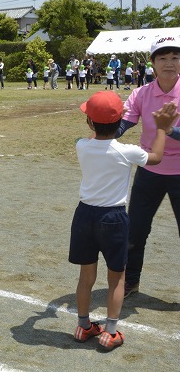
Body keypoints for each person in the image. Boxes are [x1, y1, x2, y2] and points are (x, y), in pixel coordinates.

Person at [72, 91, 177, 351]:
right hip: (113, 218)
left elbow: (93, 139)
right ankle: (110, 331)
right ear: (120, 120)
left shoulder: (81, 146)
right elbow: (156, 158)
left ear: (89, 123)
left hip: (84, 215)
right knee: (117, 278)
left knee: (86, 276)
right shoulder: (128, 151)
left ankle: (83, 326)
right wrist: (162, 129)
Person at [117, 35, 180, 299]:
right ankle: (131, 281)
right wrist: (104, 129)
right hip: (150, 170)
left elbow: (170, 130)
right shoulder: (141, 93)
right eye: (163, 58)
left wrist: (170, 130)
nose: (169, 63)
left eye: (175, 57)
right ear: (152, 63)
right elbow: (125, 122)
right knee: (136, 230)